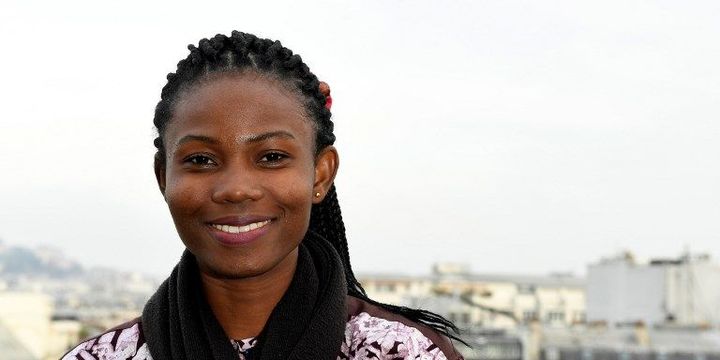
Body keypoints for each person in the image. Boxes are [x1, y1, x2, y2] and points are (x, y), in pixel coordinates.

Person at [61, 31, 464, 360]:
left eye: (272, 157)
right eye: (201, 159)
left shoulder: (406, 353)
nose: (236, 188)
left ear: (320, 174)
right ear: (163, 177)